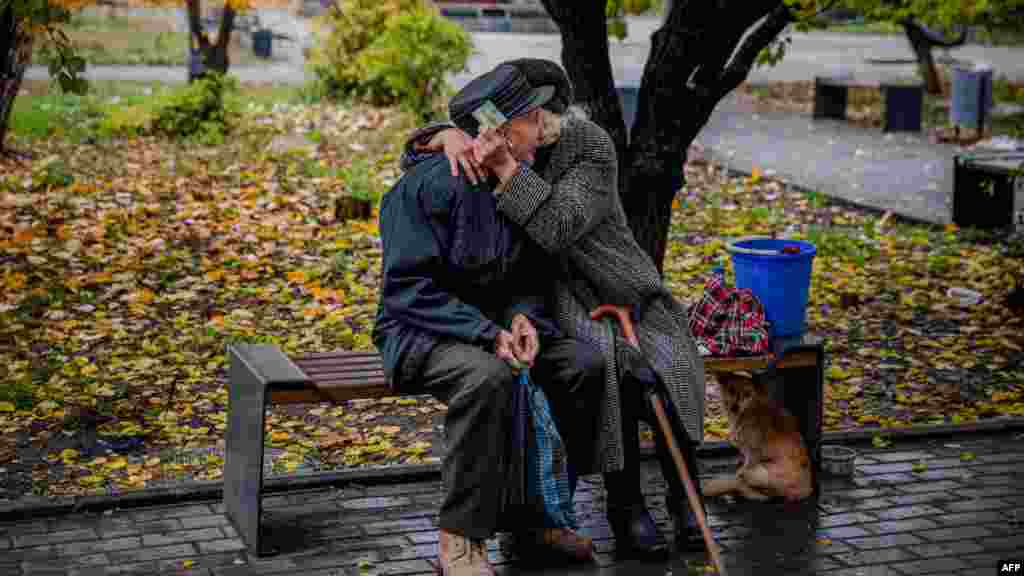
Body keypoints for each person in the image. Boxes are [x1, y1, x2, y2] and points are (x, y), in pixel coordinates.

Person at [400, 58, 708, 558]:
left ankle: (687, 501)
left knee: (669, 362)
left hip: (620, 284)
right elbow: (421, 167)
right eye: (520, 116)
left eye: (538, 113)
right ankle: (625, 505)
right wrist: (443, 136)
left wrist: (504, 168)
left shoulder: (588, 145)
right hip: (558, 297)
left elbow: (560, 225)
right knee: (612, 368)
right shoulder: (497, 144)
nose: (533, 125)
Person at [372, 63, 603, 576]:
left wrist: (522, 319)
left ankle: (540, 521)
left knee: (582, 365)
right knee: (487, 379)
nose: (543, 130)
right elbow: (407, 291)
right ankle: (460, 540)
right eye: (532, 120)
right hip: (421, 333)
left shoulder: (518, 182)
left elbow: (528, 278)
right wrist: (486, 333)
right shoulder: (427, 188)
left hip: (495, 329)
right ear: (496, 128)